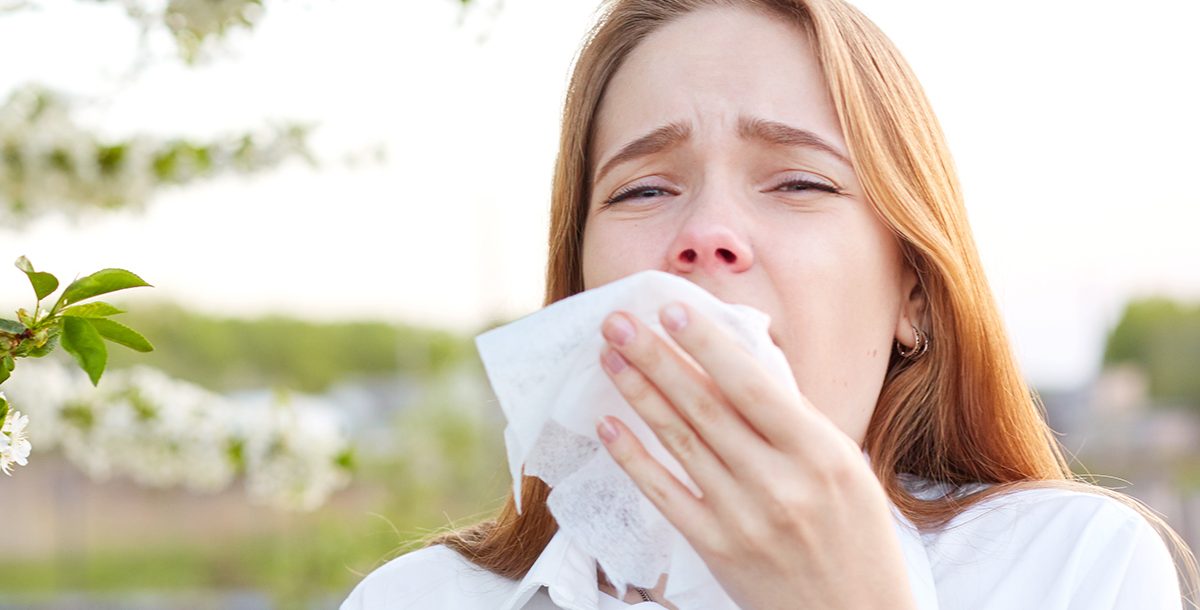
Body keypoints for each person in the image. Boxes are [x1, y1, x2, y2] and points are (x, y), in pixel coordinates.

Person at [341, 0, 1199, 608]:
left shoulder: (1072, 569)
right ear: (581, 291)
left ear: (915, 297)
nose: (707, 233)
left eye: (797, 180)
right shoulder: (413, 600)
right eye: (643, 190)